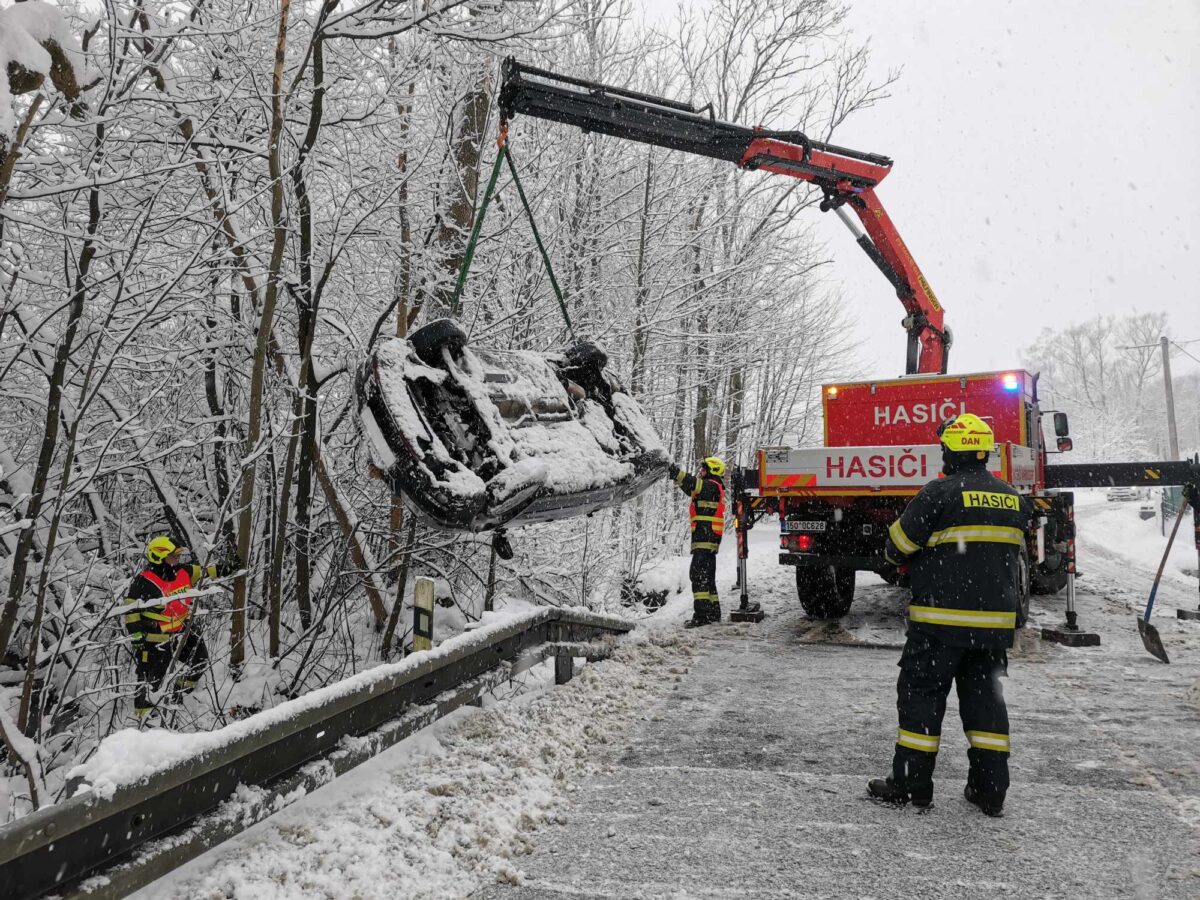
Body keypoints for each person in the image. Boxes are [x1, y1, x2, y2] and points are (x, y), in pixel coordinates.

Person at [867, 413, 1031, 816]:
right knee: (986, 704)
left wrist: (893, 561)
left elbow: (899, 544)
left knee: (921, 698)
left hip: (939, 625)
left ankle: (911, 786)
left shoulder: (938, 493)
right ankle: (990, 791)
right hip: (992, 631)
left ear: (950, 451)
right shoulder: (1012, 498)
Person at [122, 535, 236, 720]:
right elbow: (131, 612)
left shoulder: (184, 570)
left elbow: (207, 571)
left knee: (200, 661)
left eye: (178, 556)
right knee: (151, 681)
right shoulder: (142, 582)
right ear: (159, 557)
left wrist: (230, 566)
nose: (178, 559)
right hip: (155, 641)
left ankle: (178, 695)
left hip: (184, 632)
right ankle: (143, 719)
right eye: (173, 556)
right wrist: (137, 638)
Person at [667, 456, 727, 627]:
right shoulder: (710, 488)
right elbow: (690, 487)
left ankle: (702, 616)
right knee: (707, 578)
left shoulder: (711, 486)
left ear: (712, 471)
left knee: (698, 575)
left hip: (705, 539)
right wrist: (676, 477)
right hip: (706, 539)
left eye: (704, 470)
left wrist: (677, 473)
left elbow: (694, 483)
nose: (701, 472)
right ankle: (713, 613)